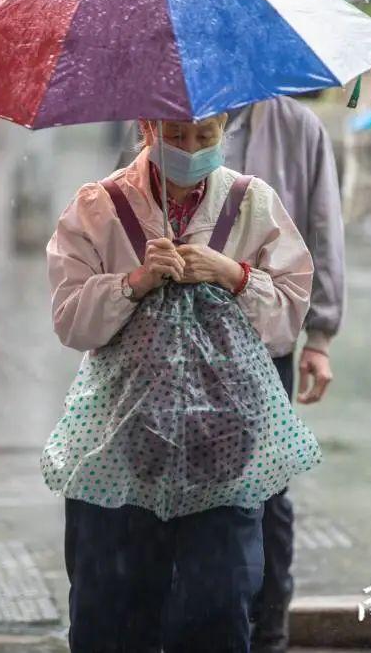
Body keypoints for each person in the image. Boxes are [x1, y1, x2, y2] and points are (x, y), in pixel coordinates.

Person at [44, 114, 320, 652]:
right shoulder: (98, 207)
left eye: (206, 136)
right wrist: (133, 282)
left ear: (223, 131)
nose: (191, 149)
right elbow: (71, 320)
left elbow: (289, 315)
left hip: (225, 448)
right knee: (112, 610)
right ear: (147, 128)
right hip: (120, 448)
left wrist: (232, 274)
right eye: (175, 135)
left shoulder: (251, 202)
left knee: (218, 607)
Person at [223, 97, 345, 653]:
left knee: (267, 491)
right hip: (178, 343)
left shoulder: (299, 128)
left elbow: (322, 229)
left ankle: (268, 630)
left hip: (267, 335)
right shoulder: (166, 116)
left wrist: (319, 336)